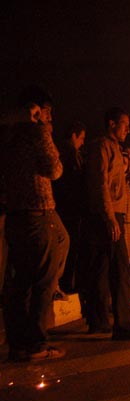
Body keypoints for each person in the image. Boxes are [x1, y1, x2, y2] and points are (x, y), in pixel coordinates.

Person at [1, 87, 69, 361]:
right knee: (43, 279)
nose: (51, 116)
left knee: (19, 283)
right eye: (48, 111)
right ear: (37, 109)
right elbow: (54, 169)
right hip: (39, 213)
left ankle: (18, 344)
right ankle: (38, 344)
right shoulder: (37, 131)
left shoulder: (7, 135)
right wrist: (50, 141)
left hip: (15, 214)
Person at [84, 107, 130, 339]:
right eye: (124, 124)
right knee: (120, 270)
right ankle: (123, 326)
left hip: (111, 214)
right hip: (107, 215)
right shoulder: (102, 146)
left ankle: (99, 321)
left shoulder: (118, 151)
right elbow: (100, 184)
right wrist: (110, 217)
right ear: (111, 124)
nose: (128, 129)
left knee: (100, 269)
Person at [53, 121, 86, 294]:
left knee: (72, 246)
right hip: (68, 208)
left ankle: (66, 282)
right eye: (81, 138)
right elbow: (70, 181)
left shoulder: (72, 153)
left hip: (69, 207)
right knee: (68, 244)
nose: (83, 142)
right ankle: (64, 283)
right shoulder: (68, 154)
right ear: (74, 136)